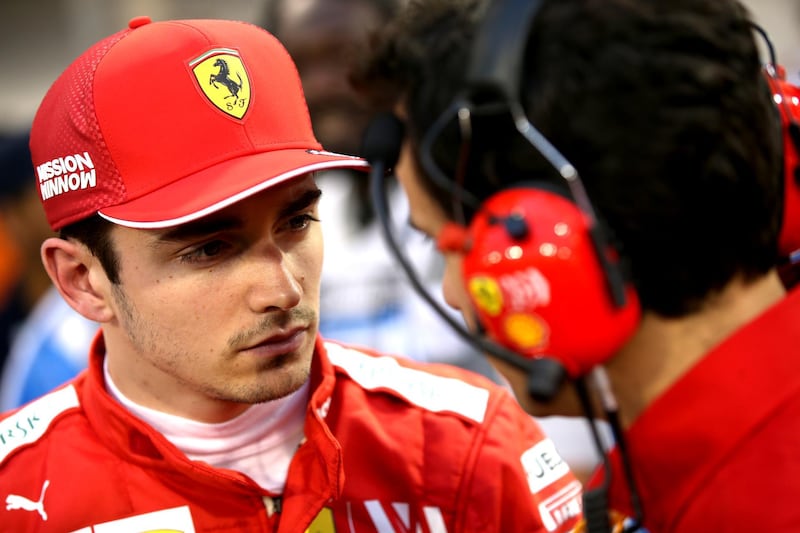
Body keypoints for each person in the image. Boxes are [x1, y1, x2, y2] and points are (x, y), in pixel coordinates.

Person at [0, 16, 584, 532]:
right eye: (208, 250)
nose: (283, 291)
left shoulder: (466, 447)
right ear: (81, 279)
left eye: (297, 221)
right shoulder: (15, 493)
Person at [353, 0, 800, 530]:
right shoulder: (665, 480)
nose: (452, 294)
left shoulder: (746, 505)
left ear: (543, 248)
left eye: (443, 246)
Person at [0, 131, 98, 411]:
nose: (66, 195)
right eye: (46, 187)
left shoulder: (108, 292)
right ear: (14, 215)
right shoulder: (14, 331)